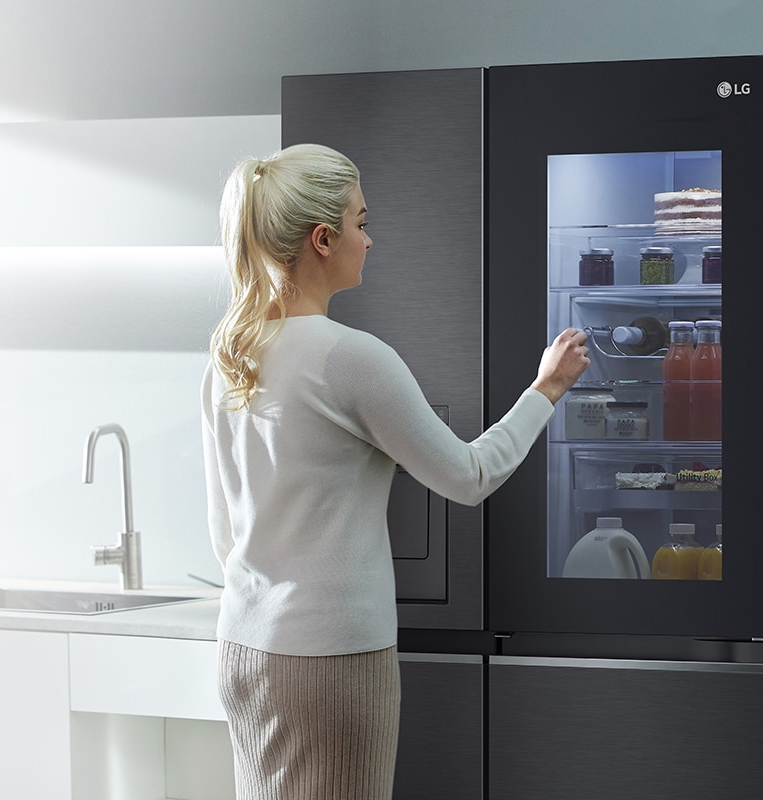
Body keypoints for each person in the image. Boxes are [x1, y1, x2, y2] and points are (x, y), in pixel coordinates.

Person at [200, 143, 590, 799]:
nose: (369, 239)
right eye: (359, 221)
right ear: (322, 239)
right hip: (331, 658)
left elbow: (222, 529)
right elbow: (468, 475)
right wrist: (545, 390)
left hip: (245, 648)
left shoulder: (232, 354)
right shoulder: (349, 358)